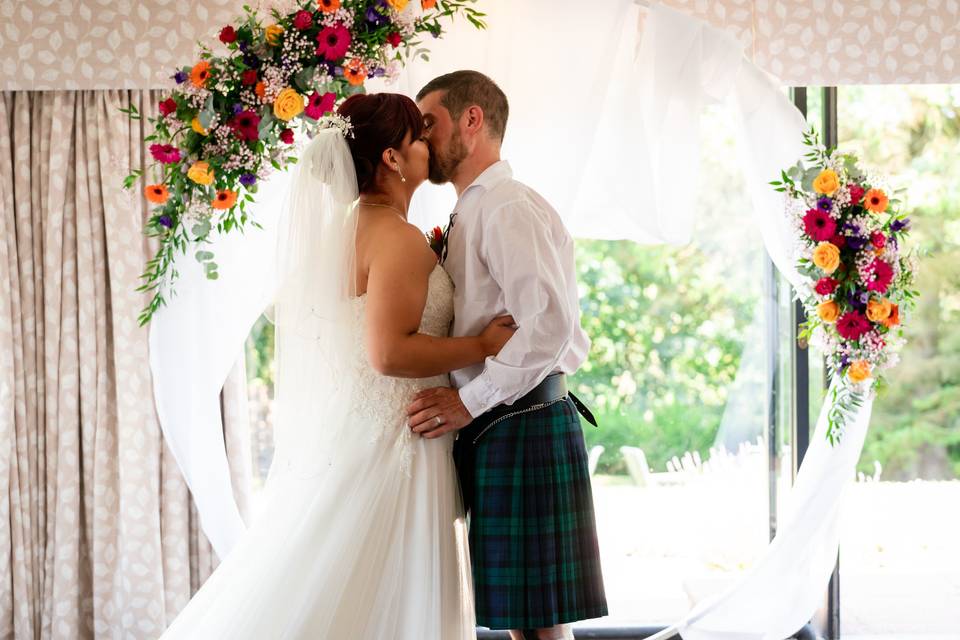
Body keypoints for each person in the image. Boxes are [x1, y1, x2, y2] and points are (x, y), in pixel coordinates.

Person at [159, 92, 515, 639]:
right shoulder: (396, 238)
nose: (428, 145)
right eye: (418, 136)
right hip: (402, 438)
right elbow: (389, 352)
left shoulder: (344, 230)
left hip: (358, 433)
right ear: (393, 159)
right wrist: (483, 346)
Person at [407, 70, 608, 640]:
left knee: (540, 627)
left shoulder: (507, 208)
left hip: (523, 423)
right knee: (523, 625)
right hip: (502, 425)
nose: (422, 137)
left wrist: (469, 402)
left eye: (432, 122)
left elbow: (547, 326)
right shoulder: (475, 209)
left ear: (473, 121)